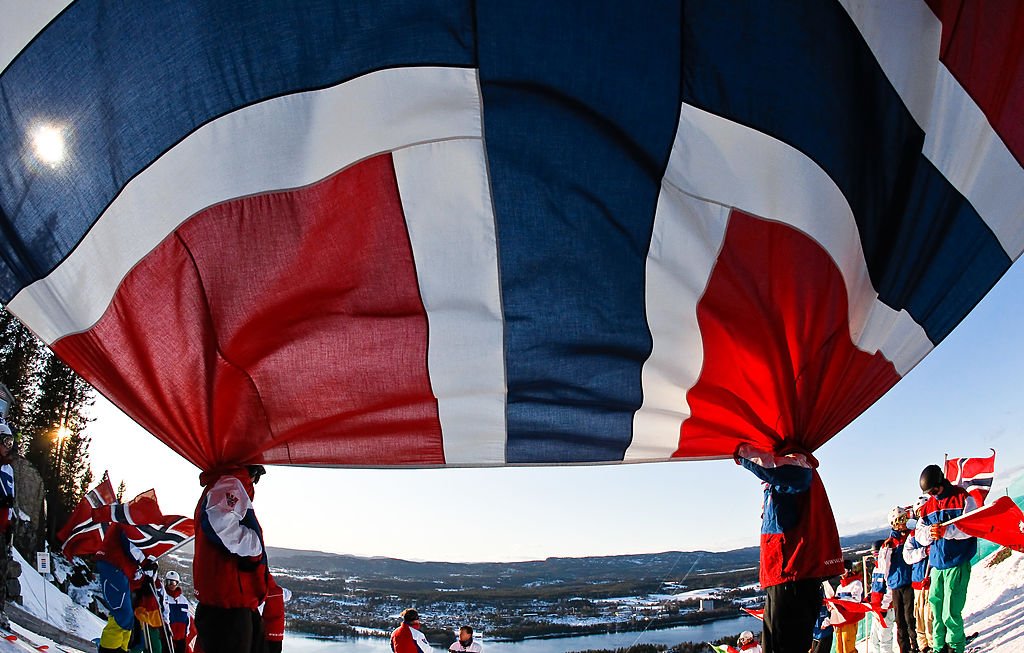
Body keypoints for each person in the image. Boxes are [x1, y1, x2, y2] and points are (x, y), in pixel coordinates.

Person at [735, 443, 843, 653]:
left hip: (792, 576)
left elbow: (792, 473)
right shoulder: (788, 474)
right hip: (786, 577)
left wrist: (740, 450)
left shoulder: (796, 462)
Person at [194, 464, 269, 653]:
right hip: (228, 603)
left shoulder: (230, 483)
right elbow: (219, 523)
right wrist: (253, 549)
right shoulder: (230, 482)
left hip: (233, 601)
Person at [915, 465, 976, 653]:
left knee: (951, 611)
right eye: (929, 492)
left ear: (941, 481)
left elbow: (971, 527)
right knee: (936, 609)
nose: (933, 495)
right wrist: (930, 533)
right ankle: (939, 647)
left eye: (934, 490)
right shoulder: (929, 507)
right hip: (937, 565)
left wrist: (946, 531)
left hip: (957, 562)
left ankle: (955, 647)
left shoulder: (962, 498)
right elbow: (919, 534)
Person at [97, 523, 158, 653]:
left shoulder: (137, 523)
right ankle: (109, 650)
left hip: (122, 572)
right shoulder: (128, 521)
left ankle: (120, 649)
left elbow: (141, 553)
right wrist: (145, 562)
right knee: (122, 614)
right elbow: (130, 545)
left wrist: (148, 569)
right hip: (113, 567)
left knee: (128, 618)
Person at [881, 507, 917, 653]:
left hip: (908, 581)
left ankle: (915, 643)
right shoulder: (891, 542)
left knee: (909, 616)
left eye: (904, 519)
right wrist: (887, 550)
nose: (903, 523)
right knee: (899, 619)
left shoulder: (909, 536)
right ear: (894, 523)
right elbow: (884, 565)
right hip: (896, 584)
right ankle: (904, 648)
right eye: (900, 520)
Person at [904, 497, 934, 653]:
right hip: (918, 581)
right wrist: (923, 552)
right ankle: (923, 646)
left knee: (930, 615)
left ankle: (934, 643)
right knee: (919, 617)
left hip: (931, 579)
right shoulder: (914, 535)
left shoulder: (935, 528)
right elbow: (907, 556)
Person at [0, 424, 16, 630]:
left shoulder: (8, 468)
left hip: (2, 527)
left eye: (11, 443)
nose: (8, 447)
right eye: (5, 442)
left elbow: (11, 498)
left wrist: (10, 523)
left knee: (1, 569)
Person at [832, 560, 864, 653]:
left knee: (848, 647)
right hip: (840, 620)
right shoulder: (839, 587)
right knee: (839, 647)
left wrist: (841, 602)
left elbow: (856, 600)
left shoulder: (856, 583)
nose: (842, 574)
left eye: (844, 571)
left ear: (849, 570)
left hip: (850, 619)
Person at [868, 540, 894, 653]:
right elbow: (875, 587)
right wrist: (869, 596)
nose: (876, 557)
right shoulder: (875, 569)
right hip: (876, 609)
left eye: (877, 554)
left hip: (885, 610)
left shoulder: (887, 567)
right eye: (874, 555)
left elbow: (890, 589)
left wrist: (884, 605)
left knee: (885, 639)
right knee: (874, 639)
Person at [162, 571, 190, 653]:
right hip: (168, 637)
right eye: (169, 582)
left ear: (177, 583)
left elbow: (187, 618)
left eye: (173, 582)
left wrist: (186, 633)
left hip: (181, 638)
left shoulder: (183, 600)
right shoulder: (164, 597)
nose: (171, 585)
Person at [262, 574, 291, 653]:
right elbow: (289, 594)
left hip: (265, 632)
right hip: (278, 633)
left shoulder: (263, 593)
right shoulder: (280, 591)